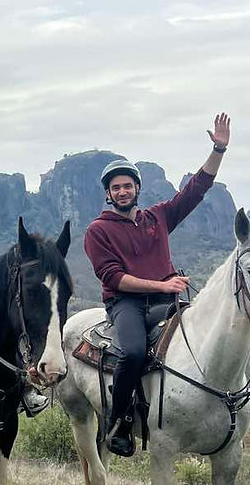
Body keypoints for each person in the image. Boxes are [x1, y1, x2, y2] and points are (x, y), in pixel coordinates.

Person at [82, 113, 231, 458]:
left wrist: (218, 150)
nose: (122, 191)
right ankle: (118, 421)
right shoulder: (97, 231)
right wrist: (163, 286)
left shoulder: (158, 217)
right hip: (127, 304)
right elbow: (114, 278)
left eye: (127, 185)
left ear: (137, 188)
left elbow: (196, 188)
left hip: (166, 301)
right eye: (116, 187)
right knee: (133, 352)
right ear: (108, 194)